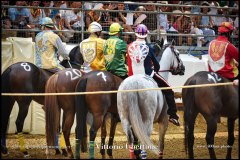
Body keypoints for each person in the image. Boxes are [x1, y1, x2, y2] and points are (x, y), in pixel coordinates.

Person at [127, 24, 180, 126]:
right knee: (169, 90)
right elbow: (157, 65)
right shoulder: (148, 47)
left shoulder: (129, 46)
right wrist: (154, 69)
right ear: (146, 34)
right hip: (148, 76)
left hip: (131, 77)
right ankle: (173, 115)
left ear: (136, 34)